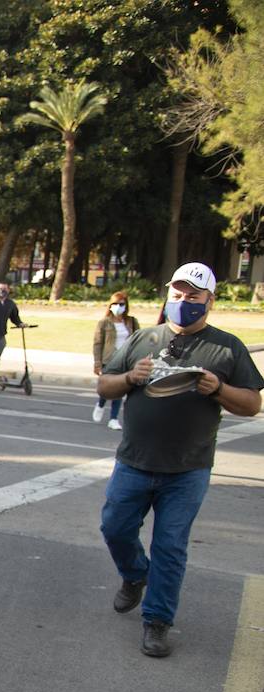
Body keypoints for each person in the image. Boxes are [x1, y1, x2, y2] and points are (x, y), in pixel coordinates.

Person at [97, 262, 263, 657]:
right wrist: (130, 378)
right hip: (134, 462)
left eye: (193, 296)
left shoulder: (226, 347)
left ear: (210, 300)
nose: (183, 301)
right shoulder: (142, 338)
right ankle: (136, 575)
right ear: (167, 295)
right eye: (177, 294)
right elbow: (105, 384)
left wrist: (219, 388)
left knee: (170, 546)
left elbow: (252, 404)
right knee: (114, 527)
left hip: (187, 469)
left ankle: (156, 622)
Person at [92, 291, 138, 431]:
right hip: (109, 360)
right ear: (110, 305)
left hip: (125, 360)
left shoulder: (131, 321)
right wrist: (97, 362)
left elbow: (137, 339)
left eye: (121, 304)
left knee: (118, 390)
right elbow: (98, 343)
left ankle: (113, 418)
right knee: (106, 388)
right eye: (115, 304)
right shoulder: (104, 322)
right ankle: (100, 404)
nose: (118, 307)